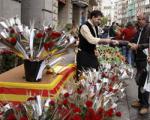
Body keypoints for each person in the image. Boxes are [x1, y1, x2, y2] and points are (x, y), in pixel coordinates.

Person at [76, 10, 118, 80]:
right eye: (98, 19)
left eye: (100, 20)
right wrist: (105, 40)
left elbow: (96, 40)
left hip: (92, 55)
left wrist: (96, 49)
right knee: (83, 77)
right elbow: (91, 40)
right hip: (83, 55)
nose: (99, 22)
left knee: (94, 74)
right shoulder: (84, 26)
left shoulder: (95, 27)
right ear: (93, 17)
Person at [129, 13, 150, 115]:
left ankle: (146, 105)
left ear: (145, 20)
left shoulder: (148, 29)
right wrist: (131, 43)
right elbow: (134, 39)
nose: (138, 21)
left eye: (140, 19)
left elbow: (148, 44)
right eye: (137, 19)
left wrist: (139, 46)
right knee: (140, 81)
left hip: (146, 60)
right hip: (138, 59)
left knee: (145, 82)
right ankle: (140, 101)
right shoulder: (139, 30)